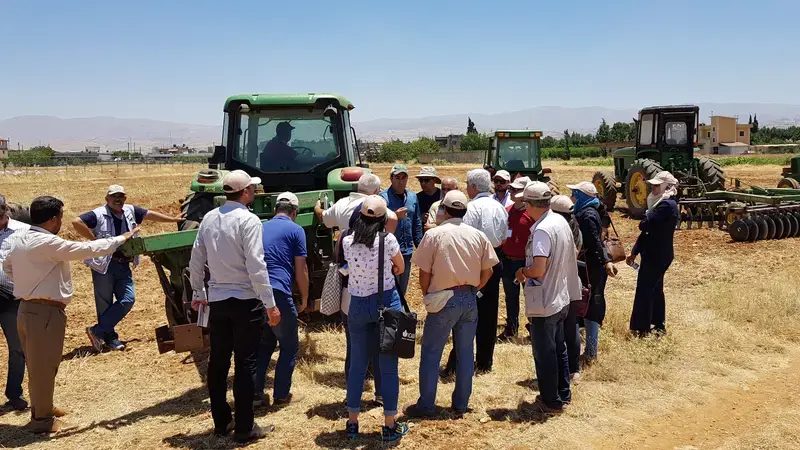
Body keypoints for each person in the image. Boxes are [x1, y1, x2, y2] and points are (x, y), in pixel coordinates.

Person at [3, 196, 139, 433]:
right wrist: (121, 238)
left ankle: (42, 406)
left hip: (28, 310)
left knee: (40, 365)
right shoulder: (45, 242)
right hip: (44, 312)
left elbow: (7, 266)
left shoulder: (20, 239)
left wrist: (26, 283)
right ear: (54, 219)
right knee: (43, 366)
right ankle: (42, 421)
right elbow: (85, 249)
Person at [189, 169, 281, 444]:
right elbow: (256, 265)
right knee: (245, 364)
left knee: (218, 362)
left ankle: (221, 422)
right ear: (245, 192)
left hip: (218, 301)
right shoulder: (249, 220)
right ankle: (244, 427)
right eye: (252, 189)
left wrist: (198, 292)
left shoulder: (209, 218)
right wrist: (270, 303)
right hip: (246, 301)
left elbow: (196, 259)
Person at [404, 191, 498, 418]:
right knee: (466, 353)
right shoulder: (478, 236)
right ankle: (461, 404)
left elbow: (423, 273)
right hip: (469, 298)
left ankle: (426, 405)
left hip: (443, 297)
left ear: (444, 210)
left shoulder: (435, 235)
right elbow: (489, 270)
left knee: (431, 351)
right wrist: (475, 289)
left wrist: (429, 295)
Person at [73, 184, 183, 351]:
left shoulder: (130, 210)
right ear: (107, 199)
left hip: (124, 263)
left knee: (128, 299)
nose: (117, 199)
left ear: (125, 198)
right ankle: (110, 339)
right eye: (113, 196)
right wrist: (94, 239)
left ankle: (97, 331)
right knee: (104, 304)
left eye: (121, 196)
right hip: (105, 264)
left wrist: (172, 219)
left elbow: (149, 214)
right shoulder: (98, 214)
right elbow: (76, 222)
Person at [341, 195, 408, 441]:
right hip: (385, 304)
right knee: (388, 368)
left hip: (357, 305)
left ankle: (352, 422)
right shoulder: (388, 240)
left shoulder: (347, 240)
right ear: (383, 219)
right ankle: (389, 425)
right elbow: (399, 267)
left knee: (357, 365)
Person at [514, 182, 581, 413]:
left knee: (545, 353)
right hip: (560, 297)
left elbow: (539, 269)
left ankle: (550, 399)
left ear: (531, 204)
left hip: (545, 300)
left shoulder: (542, 230)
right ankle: (564, 393)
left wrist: (522, 272)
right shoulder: (559, 221)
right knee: (559, 349)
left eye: (525, 203)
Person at [444, 168, 507, 375]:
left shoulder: (471, 208)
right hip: (496, 260)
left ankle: (457, 363)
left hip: (475, 263)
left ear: (472, 187)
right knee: (490, 314)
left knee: (466, 313)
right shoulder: (499, 207)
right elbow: (504, 236)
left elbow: (464, 237)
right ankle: (484, 362)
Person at [255, 192, 309, 407]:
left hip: (255, 292)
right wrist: (304, 297)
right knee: (288, 345)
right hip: (278, 292)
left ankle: (256, 394)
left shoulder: (259, 226)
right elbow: (301, 268)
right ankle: (281, 395)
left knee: (264, 343)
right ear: (294, 212)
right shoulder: (296, 229)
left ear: (275, 210)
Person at [568, 182, 617, 363]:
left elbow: (595, 243)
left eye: (574, 193)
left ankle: (591, 351)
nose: (572, 197)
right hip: (590, 265)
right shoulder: (589, 211)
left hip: (590, 267)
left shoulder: (587, 215)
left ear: (582, 196)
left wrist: (605, 261)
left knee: (590, 307)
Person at [627, 171, 679, 336]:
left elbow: (645, 225)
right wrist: (634, 252)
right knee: (654, 289)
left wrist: (645, 219)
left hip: (658, 254)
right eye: (653, 185)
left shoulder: (667, 205)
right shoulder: (659, 204)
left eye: (657, 185)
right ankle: (657, 325)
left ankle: (643, 328)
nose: (653, 188)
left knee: (646, 290)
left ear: (667, 187)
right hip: (653, 253)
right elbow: (646, 230)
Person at [0, 195, 31, 411]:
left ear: (6, 211)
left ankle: (14, 393)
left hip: (11, 298)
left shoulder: (23, 231)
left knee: (18, 348)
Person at [550, 194, 583, 380]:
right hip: (573, 283)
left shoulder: (558, 232)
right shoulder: (576, 230)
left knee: (557, 330)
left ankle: (559, 369)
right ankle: (574, 368)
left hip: (558, 284)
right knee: (572, 326)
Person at [498, 176, 533, 341]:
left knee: (531, 296)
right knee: (511, 297)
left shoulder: (531, 214)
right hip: (508, 260)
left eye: (516, 189)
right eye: (511, 189)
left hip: (526, 263)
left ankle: (534, 328)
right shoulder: (507, 210)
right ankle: (511, 329)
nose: (511, 192)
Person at [379, 164, 422, 297]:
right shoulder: (383, 198)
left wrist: (419, 245)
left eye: (404, 177)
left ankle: (399, 314)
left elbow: (417, 222)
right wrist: (394, 216)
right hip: (388, 250)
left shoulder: (412, 197)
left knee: (403, 287)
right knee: (390, 287)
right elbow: (377, 223)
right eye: (397, 177)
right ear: (391, 178)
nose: (401, 181)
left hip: (407, 250)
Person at [315, 173, 382, 231]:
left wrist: (317, 207)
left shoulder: (341, 204)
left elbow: (322, 216)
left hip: (347, 245)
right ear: (376, 191)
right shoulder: (379, 208)